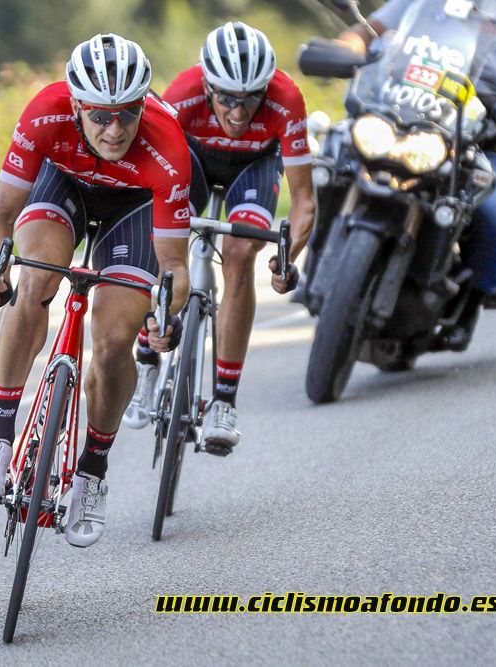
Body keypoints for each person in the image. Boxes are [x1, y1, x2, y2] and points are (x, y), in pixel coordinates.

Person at [0, 33, 192, 548]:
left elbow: (175, 264)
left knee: (114, 341)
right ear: (75, 105)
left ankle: (92, 470)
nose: (115, 129)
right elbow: (1, 214)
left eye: (128, 114)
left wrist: (165, 313)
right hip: (65, 184)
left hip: (133, 209)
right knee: (35, 278)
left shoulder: (168, 146)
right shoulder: (45, 113)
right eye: (100, 115)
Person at [122, 21, 315, 456]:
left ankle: (224, 401)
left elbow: (304, 201)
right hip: (194, 162)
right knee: (161, 239)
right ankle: (147, 354)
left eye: (250, 100)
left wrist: (288, 259)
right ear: (207, 85)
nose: (238, 111)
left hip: (254, 168)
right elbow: (151, 178)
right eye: (226, 97)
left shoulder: (286, 100)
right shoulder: (183, 94)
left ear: (267, 89)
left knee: (240, 252)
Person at [335, 0, 496, 349]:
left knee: (491, 212)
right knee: (333, 162)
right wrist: (346, 51)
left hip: (478, 137)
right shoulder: (417, 2)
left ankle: (472, 300)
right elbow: (363, 34)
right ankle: (320, 254)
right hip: (397, 114)